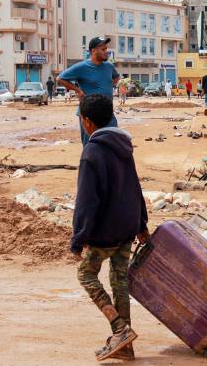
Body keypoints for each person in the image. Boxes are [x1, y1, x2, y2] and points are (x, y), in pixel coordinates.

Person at [70, 94, 149, 361]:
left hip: (105, 232)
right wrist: (141, 224)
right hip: (127, 226)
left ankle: (119, 328)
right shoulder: (123, 145)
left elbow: (86, 201)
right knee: (119, 282)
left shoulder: (91, 152)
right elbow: (135, 186)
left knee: (86, 275)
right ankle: (125, 346)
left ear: (87, 122)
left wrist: (78, 238)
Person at [57, 36, 120, 146]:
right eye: (103, 49)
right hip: (89, 114)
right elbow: (60, 78)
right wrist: (78, 90)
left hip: (108, 112)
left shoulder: (109, 66)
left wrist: (113, 84)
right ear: (93, 51)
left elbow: (116, 77)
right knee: (91, 145)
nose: (107, 52)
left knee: (113, 144)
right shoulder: (81, 67)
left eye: (106, 49)